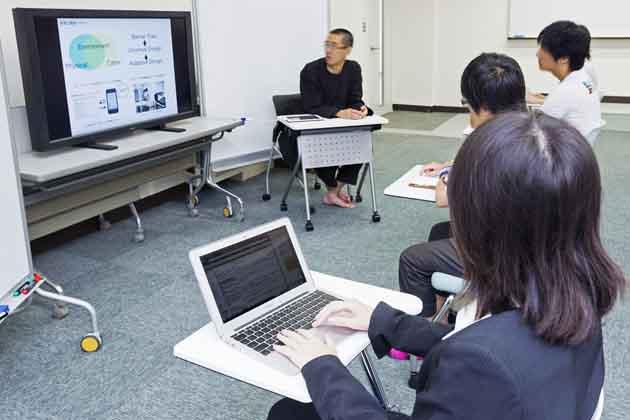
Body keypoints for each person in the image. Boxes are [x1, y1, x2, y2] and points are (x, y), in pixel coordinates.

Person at [267, 111, 625, 420]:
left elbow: (477, 356)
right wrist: (383, 321)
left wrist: (322, 366)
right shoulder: (577, 290)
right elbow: (473, 343)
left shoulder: (480, 364)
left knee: (288, 412)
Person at [400, 53, 527, 319]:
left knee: (411, 260)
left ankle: (426, 334)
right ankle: (449, 314)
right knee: (440, 231)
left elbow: (443, 199)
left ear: (481, 106)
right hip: (533, 244)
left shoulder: (486, 143)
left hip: (506, 254)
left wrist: (448, 177)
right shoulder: (532, 131)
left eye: (467, 107)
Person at [300, 28, 371, 208]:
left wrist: (361, 109)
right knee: (324, 148)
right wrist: (340, 113)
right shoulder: (311, 70)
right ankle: (333, 190)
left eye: (334, 46)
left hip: (342, 125)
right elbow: (311, 106)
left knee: (363, 142)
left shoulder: (353, 68)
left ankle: (333, 192)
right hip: (315, 128)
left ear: (347, 50)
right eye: (327, 45)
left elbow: (355, 99)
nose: (328, 51)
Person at [527, 21, 602, 139]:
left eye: (543, 48)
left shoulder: (565, 92)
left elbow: (530, 133)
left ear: (563, 58)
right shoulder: (584, 75)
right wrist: (540, 99)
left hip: (561, 154)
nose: (537, 54)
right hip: (580, 151)